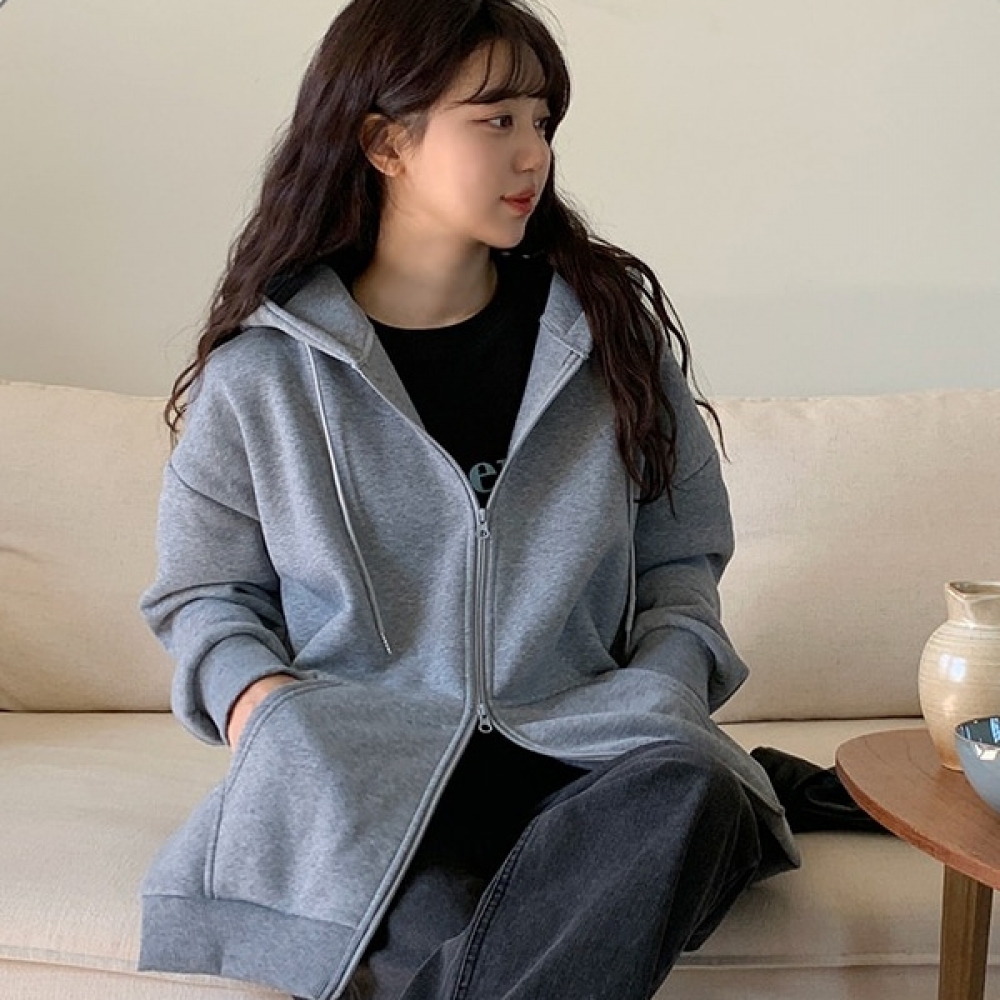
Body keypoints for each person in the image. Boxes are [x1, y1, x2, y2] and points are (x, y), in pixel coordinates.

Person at [136, 1, 800, 998]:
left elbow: (680, 559)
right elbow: (204, 595)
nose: (533, 153)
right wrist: (264, 710)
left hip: (593, 760)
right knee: (436, 919)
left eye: (542, 121)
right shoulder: (263, 380)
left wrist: (666, 679)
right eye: (495, 120)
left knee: (696, 786)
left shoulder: (608, 343)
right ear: (385, 143)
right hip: (371, 780)